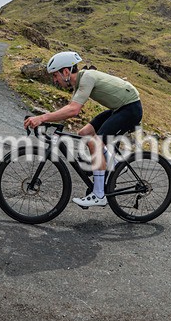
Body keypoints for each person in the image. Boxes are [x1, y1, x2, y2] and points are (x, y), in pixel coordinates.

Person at [24, 51, 142, 208]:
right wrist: (46, 118)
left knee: (95, 143)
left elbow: (73, 110)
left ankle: (99, 195)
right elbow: (69, 109)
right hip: (120, 108)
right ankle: (111, 166)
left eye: (55, 75)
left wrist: (42, 118)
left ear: (65, 72)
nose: (54, 79)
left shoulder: (86, 77)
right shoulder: (79, 83)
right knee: (84, 133)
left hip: (130, 109)